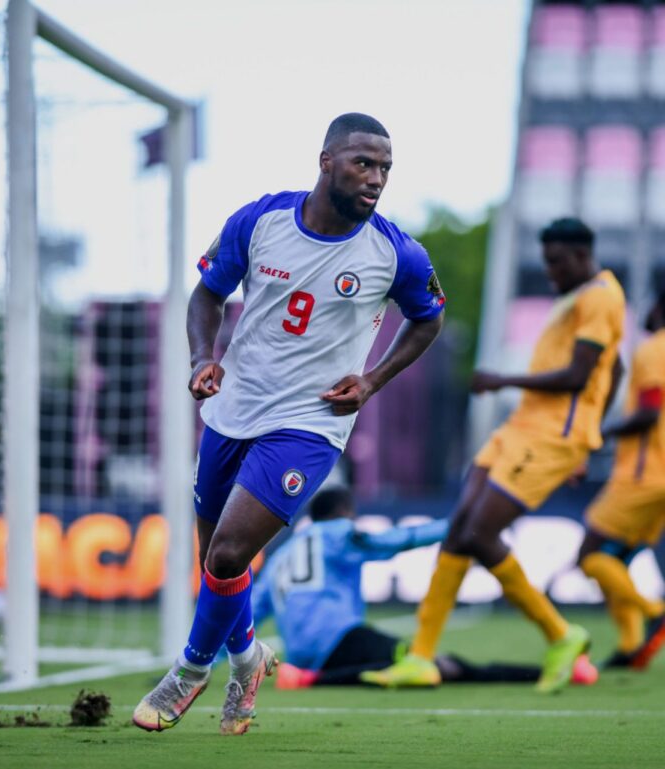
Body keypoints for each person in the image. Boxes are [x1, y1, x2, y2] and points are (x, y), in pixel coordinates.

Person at [133, 113, 446, 735]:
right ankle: (247, 660)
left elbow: (429, 318)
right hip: (233, 409)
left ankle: (189, 674)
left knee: (229, 551)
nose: (375, 178)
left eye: (385, 168)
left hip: (310, 422)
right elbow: (206, 296)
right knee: (216, 564)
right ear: (326, 160)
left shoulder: (397, 252)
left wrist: (373, 379)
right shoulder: (259, 221)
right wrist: (203, 358)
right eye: (363, 163)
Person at [362, 217, 625, 694]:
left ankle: (562, 634)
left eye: (557, 263)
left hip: (548, 438)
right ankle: (421, 656)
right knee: (460, 528)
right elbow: (617, 366)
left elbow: (579, 375)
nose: (551, 273)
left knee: (480, 533)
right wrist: (595, 431)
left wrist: (504, 382)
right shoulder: (580, 296)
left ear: (582, 256)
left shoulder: (602, 298)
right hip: (522, 430)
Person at [249, 488, 597, 689]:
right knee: (430, 664)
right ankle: (312, 680)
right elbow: (390, 541)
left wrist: (208, 658)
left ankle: (307, 673)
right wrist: (453, 528)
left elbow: (250, 615)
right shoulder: (338, 532)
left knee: (416, 663)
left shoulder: (281, 556)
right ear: (344, 513)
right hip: (339, 639)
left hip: (297, 648)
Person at [578, 290, 665, 669]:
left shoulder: (653, 349)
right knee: (621, 559)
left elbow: (649, 413)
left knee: (591, 554)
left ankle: (653, 610)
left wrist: (603, 431)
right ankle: (632, 647)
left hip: (645, 475)